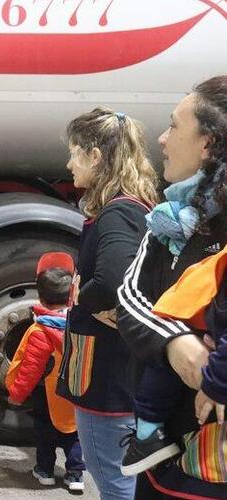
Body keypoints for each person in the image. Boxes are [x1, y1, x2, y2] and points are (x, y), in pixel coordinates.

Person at [117, 75, 227, 499]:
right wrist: (176, 343)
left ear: (209, 145)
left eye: (174, 126)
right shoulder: (171, 219)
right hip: (165, 464)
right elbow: (129, 298)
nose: (161, 139)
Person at [56, 107, 159, 499]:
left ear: (95, 156)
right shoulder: (136, 206)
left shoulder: (117, 212)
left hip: (105, 382)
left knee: (116, 486)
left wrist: (82, 293)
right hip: (119, 374)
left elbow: (115, 281)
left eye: (74, 152)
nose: (69, 163)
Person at [6, 253, 85, 491]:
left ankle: (45, 471)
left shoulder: (40, 331)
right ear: (72, 294)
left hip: (46, 393)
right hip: (73, 389)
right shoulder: (80, 325)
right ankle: (75, 476)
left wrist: (17, 395)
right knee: (74, 432)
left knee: (45, 433)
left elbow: (31, 368)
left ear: (40, 297)